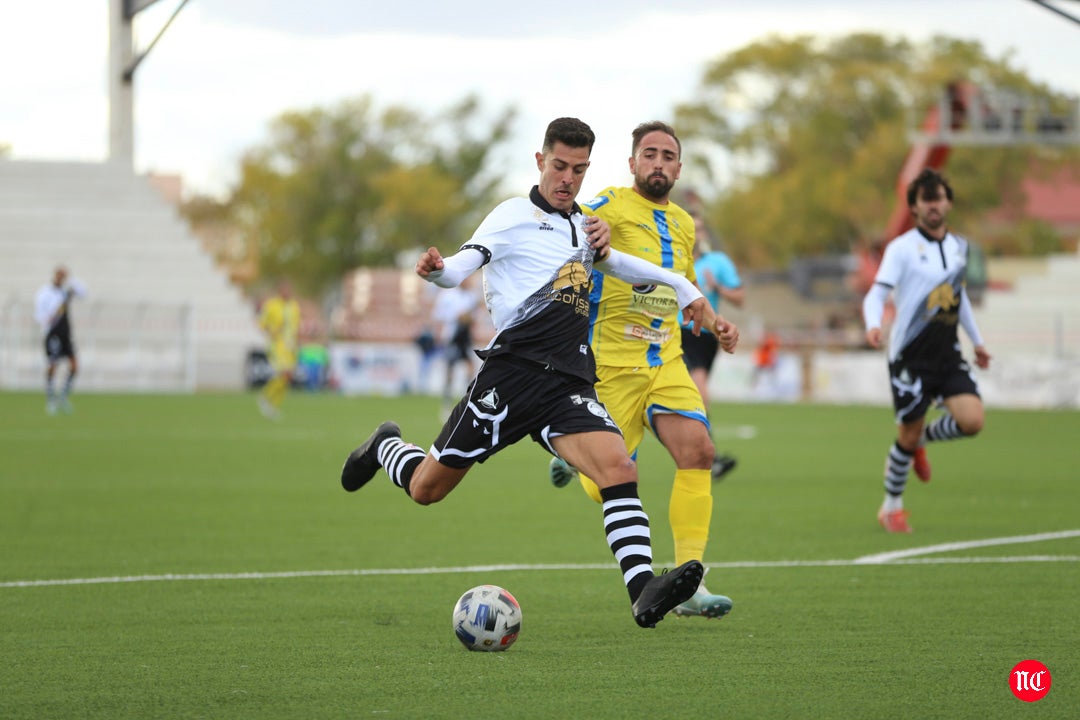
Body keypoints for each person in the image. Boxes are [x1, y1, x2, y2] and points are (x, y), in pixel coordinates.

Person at [341, 117, 737, 628]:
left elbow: (622, 267)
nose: (567, 178)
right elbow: (464, 265)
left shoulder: (584, 226)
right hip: (511, 377)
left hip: (567, 382)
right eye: (559, 166)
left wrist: (687, 291)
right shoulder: (512, 216)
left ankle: (644, 590)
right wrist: (438, 271)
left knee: (619, 469)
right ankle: (384, 446)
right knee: (427, 489)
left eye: (578, 169)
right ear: (539, 161)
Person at [545, 121, 740, 619]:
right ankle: (573, 456)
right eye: (648, 154)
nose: (658, 162)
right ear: (633, 163)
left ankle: (690, 583)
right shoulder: (608, 202)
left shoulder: (684, 223)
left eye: (667, 155)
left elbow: (685, 285)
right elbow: (569, 223)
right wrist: (593, 228)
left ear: (678, 168)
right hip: (611, 365)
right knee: (610, 478)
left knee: (699, 451)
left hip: (666, 360)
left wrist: (717, 325)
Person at [862, 168, 991, 533]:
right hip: (909, 355)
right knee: (906, 435)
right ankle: (892, 507)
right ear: (915, 207)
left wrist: (977, 342)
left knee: (972, 421)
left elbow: (958, 297)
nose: (933, 205)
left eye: (939, 198)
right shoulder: (901, 248)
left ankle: (923, 441)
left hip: (948, 352)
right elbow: (877, 292)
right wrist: (873, 324)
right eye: (926, 199)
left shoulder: (959, 247)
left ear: (948, 202)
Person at [681, 215, 745, 481]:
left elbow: (740, 298)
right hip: (675, 332)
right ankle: (709, 454)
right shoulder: (673, 260)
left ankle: (707, 454)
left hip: (705, 335)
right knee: (696, 391)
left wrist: (718, 287)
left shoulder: (717, 263)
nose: (697, 233)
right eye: (692, 228)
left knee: (697, 394)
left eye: (701, 228)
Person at [34, 266, 87, 415]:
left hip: (66, 334)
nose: (62, 278)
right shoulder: (45, 292)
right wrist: (48, 321)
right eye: (60, 275)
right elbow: (39, 314)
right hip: (53, 333)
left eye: (64, 275)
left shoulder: (65, 291)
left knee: (74, 366)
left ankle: (63, 397)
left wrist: (72, 279)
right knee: (53, 365)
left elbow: (84, 293)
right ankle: (51, 399)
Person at [430, 276, 481, 416]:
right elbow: (439, 317)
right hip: (452, 337)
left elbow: (473, 319)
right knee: (450, 371)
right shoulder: (447, 296)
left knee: (470, 368)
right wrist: (439, 336)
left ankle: (468, 401)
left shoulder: (471, 297)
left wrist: (467, 318)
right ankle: (446, 404)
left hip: (465, 338)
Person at [257, 279, 300, 419]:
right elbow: (262, 323)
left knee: (288, 378)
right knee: (285, 373)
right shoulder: (271, 305)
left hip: (290, 346)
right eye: (284, 290)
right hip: (277, 345)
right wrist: (272, 331)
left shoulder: (294, 306)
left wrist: (296, 342)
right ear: (279, 290)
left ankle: (272, 404)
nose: (287, 292)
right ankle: (265, 397)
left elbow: (295, 327)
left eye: (289, 290)